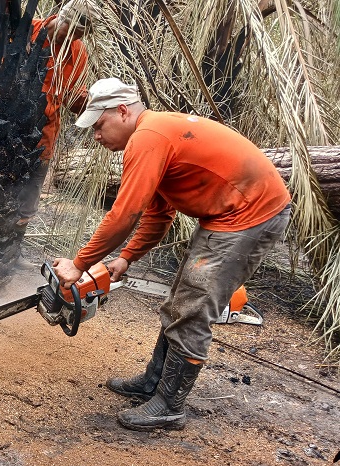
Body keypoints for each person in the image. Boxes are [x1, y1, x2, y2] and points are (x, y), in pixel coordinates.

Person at [52, 78, 291, 431]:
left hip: (249, 216)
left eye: (99, 126)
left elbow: (123, 215)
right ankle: (154, 382)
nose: (96, 137)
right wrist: (127, 256)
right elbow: (157, 213)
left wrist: (79, 264)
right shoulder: (156, 136)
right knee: (182, 298)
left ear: (122, 111)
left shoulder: (148, 138)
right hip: (228, 215)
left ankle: (169, 405)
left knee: (193, 308)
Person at [17, 2, 91, 232]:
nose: (70, 41)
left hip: (43, 137)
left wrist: (90, 101)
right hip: (6, 131)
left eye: (77, 37)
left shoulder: (78, 52)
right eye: (68, 33)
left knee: (28, 198)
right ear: (59, 17)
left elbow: (73, 98)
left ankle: (13, 252)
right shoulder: (23, 32)